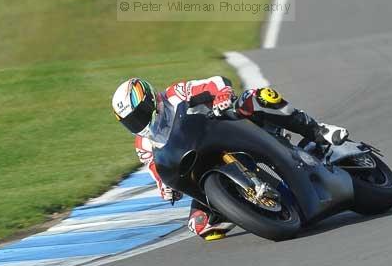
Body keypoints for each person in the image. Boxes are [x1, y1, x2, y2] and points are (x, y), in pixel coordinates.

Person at [111, 75, 348, 242]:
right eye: (131, 121)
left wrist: (222, 95)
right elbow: (157, 171)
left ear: (151, 101)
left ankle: (318, 130)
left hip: (227, 128)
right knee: (201, 226)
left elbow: (216, 82)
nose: (139, 123)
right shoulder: (143, 144)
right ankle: (252, 207)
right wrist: (166, 188)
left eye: (139, 114)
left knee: (257, 98)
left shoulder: (175, 95)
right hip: (202, 160)